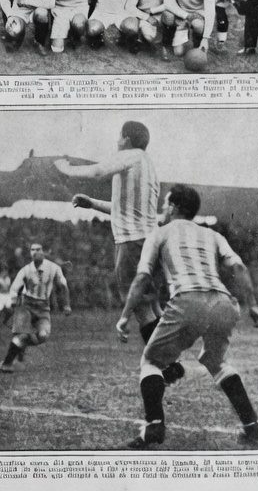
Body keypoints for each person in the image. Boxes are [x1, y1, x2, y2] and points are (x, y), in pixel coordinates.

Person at [118, 185, 258, 449]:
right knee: (215, 361)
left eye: (165, 205)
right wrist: (253, 305)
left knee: (151, 361)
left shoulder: (160, 233)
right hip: (223, 302)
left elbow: (142, 277)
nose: (163, 210)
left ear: (174, 207)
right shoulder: (212, 235)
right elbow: (239, 267)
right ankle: (252, 428)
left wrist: (124, 315)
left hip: (189, 300)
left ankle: (153, 426)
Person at [55, 121, 170, 355]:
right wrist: (93, 204)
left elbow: (98, 172)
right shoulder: (149, 165)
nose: (117, 141)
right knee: (153, 305)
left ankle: (167, 364)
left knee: (141, 308)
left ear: (126, 139)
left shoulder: (130, 155)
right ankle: (171, 358)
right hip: (150, 241)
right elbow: (125, 209)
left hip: (132, 242)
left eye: (119, 137)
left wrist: (66, 168)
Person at [0, 243, 70, 372]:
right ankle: (7, 363)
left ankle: (18, 356)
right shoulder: (25, 270)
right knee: (22, 336)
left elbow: (63, 285)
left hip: (43, 308)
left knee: (43, 335)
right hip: (26, 305)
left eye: (38, 249)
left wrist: (66, 304)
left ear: (43, 252)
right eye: (32, 250)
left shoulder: (54, 268)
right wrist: (14, 301)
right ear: (30, 253)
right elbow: (14, 288)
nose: (35, 252)